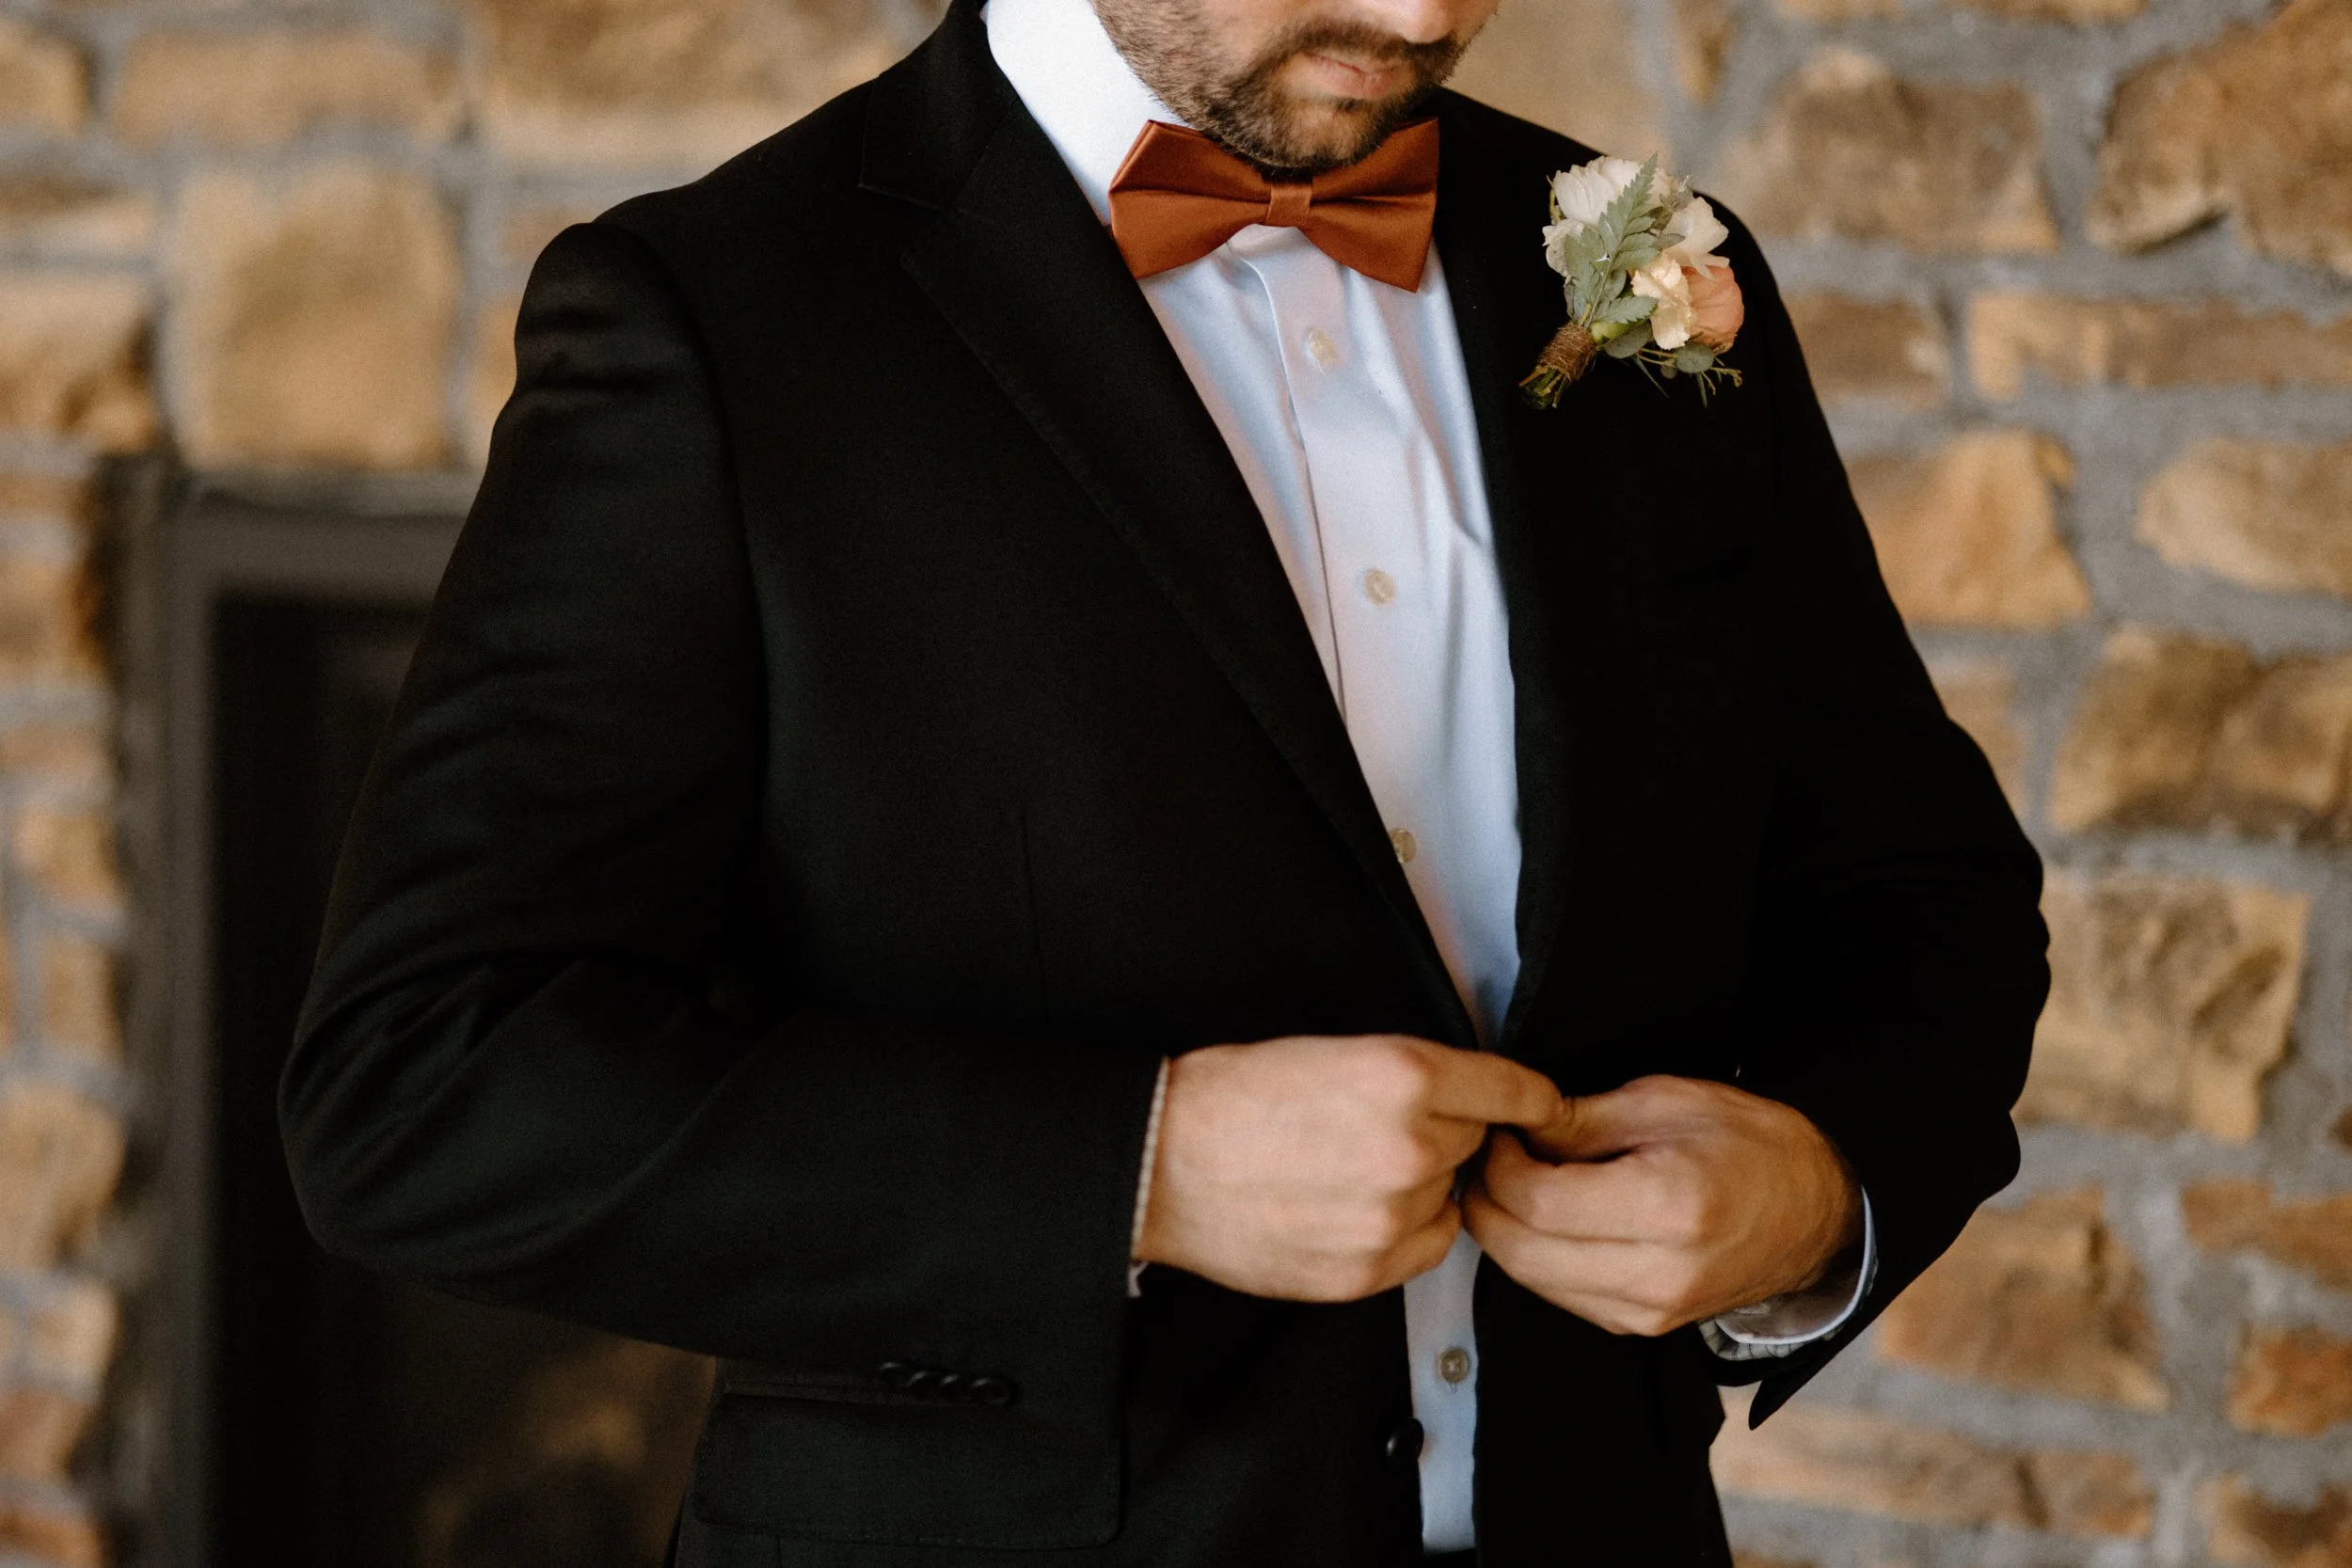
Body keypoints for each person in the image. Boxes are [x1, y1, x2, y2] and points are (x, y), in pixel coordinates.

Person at [280, 0, 2049, 1557]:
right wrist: (1145, 1170)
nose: (1421, 17)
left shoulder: (1651, 261)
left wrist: (1819, 1195)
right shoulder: (714, 319)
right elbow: (421, 1084)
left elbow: (1925, 902)